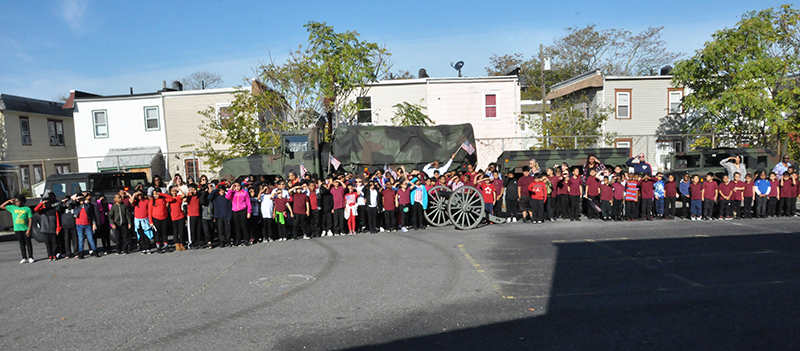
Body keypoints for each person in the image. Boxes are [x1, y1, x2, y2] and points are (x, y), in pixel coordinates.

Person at [2, 194, 33, 263]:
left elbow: (30, 219)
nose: (17, 203)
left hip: (25, 228)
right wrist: (9, 201)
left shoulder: (27, 209)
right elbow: (1, 206)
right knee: (21, 243)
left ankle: (30, 257)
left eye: (18, 201)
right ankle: (24, 257)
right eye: (16, 201)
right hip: (17, 229)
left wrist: (29, 229)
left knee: (28, 243)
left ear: (22, 201)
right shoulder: (13, 208)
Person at [73, 192, 100, 258]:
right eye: (80, 199)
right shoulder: (76, 205)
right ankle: (81, 253)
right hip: (79, 224)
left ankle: (95, 251)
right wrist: (76, 198)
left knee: (91, 239)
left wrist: (94, 223)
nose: (81, 200)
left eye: (82, 199)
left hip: (87, 224)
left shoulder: (88, 205)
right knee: (81, 239)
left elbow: (92, 215)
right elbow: (70, 203)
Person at [225, 182, 251, 246]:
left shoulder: (244, 192)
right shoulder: (233, 193)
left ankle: (246, 239)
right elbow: (227, 197)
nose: (237, 188)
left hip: (242, 210)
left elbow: (248, 202)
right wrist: (231, 189)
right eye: (236, 186)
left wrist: (249, 212)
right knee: (237, 226)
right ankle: (238, 240)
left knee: (244, 225)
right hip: (235, 210)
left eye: (238, 186)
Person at [163, 186, 188, 250]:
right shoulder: (170, 199)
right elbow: (166, 206)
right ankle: (177, 244)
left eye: (175, 191)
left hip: (180, 216)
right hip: (173, 217)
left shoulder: (178, 197)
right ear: (170, 192)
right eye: (172, 191)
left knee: (181, 231)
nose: (174, 192)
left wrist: (179, 189)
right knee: (175, 231)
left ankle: (182, 244)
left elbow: (183, 196)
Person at [209, 183, 232, 247]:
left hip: (226, 216)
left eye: (223, 190)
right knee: (220, 230)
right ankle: (222, 242)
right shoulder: (216, 197)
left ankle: (228, 241)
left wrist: (229, 217)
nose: (222, 191)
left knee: (227, 230)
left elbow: (230, 207)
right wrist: (216, 190)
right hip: (218, 216)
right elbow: (209, 197)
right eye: (220, 190)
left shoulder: (227, 197)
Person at [150, 188, 171, 253]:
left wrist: (161, 194)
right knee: (157, 233)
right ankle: (158, 246)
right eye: (154, 194)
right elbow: (149, 212)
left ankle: (166, 245)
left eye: (156, 193)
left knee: (164, 232)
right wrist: (151, 222)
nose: (155, 195)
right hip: (156, 219)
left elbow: (171, 198)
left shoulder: (163, 199)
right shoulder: (152, 201)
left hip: (164, 218)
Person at [185, 184, 202, 249]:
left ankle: (198, 242)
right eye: (192, 190)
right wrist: (188, 192)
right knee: (192, 230)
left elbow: (200, 190)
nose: (194, 191)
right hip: (191, 215)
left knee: (198, 229)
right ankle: (191, 243)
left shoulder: (198, 196)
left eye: (194, 190)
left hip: (198, 214)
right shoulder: (189, 196)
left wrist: (196, 189)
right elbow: (184, 200)